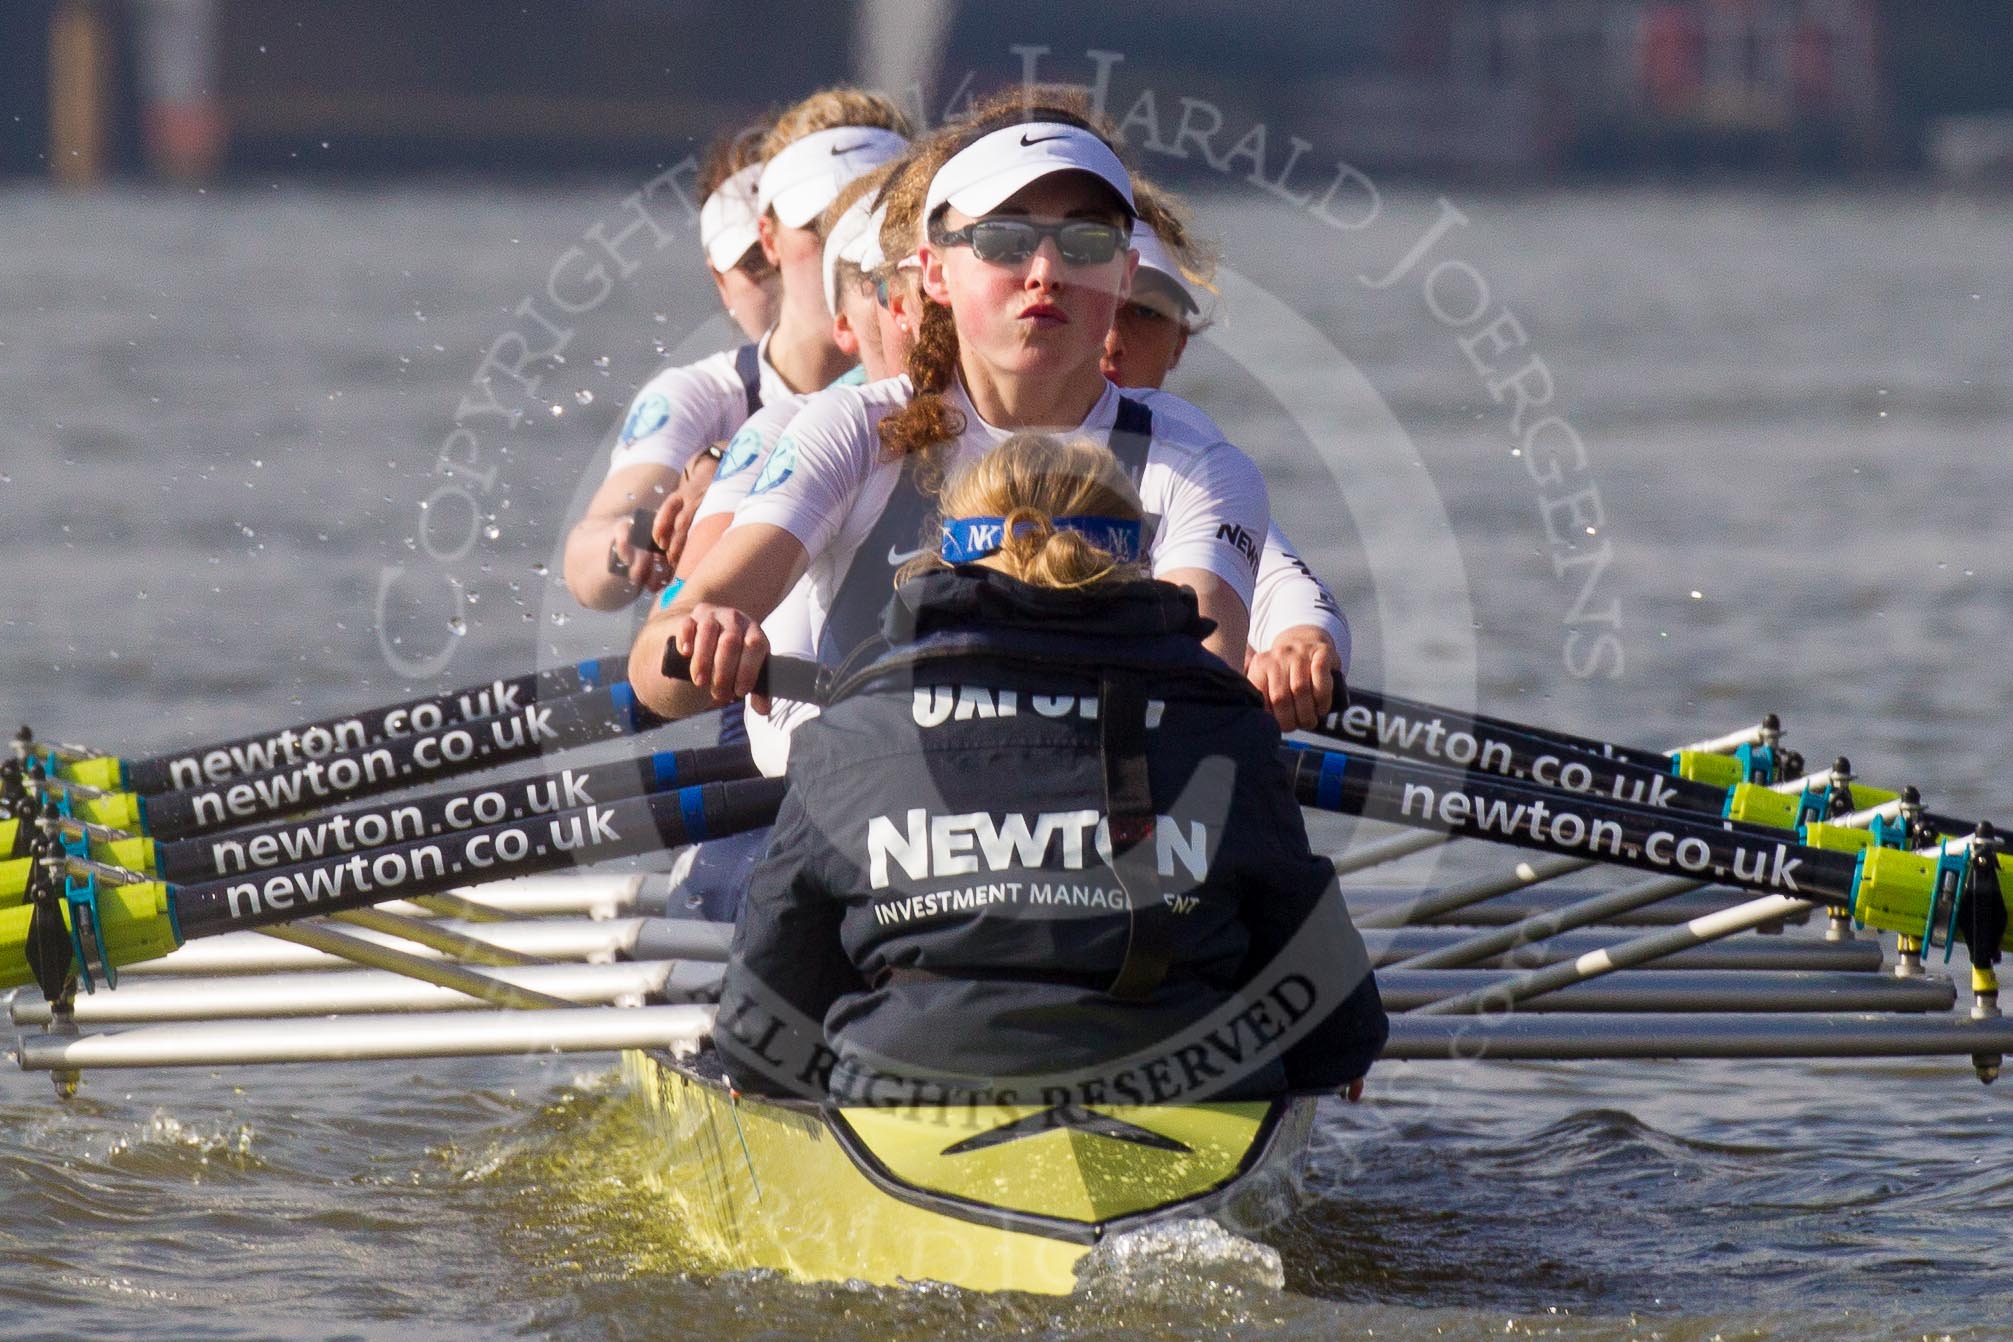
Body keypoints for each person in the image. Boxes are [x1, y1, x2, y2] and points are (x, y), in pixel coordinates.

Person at [714, 433, 1387, 1105]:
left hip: (914, 1082)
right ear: (1137, 566)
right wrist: (1337, 1054)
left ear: (946, 557)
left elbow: (764, 1012)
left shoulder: (848, 732)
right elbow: (1325, 1002)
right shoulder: (1226, 725)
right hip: (1183, 1088)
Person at [629, 90, 1274, 729]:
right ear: (934, 273)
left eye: (1084, 239)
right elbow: (658, 662)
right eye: (1004, 238)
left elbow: (1202, 696)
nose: (1046, 270)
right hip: (866, 817)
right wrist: (700, 634)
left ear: (1126, 275)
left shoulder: (1194, 463)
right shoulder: (855, 433)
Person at [563, 89, 910, 612]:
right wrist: (635, 540)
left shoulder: (961, 384)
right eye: (820, 224)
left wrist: (730, 475)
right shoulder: (706, 396)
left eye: (868, 219)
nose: (844, 248)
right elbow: (590, 550)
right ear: (768, 239)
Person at [1107, 181, 1351, 732]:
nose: (1112, 342)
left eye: (1144, 314)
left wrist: (1299, 645)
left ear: (1179, 344)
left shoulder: (1188, 462)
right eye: (1103, 304)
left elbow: (1278, 582)